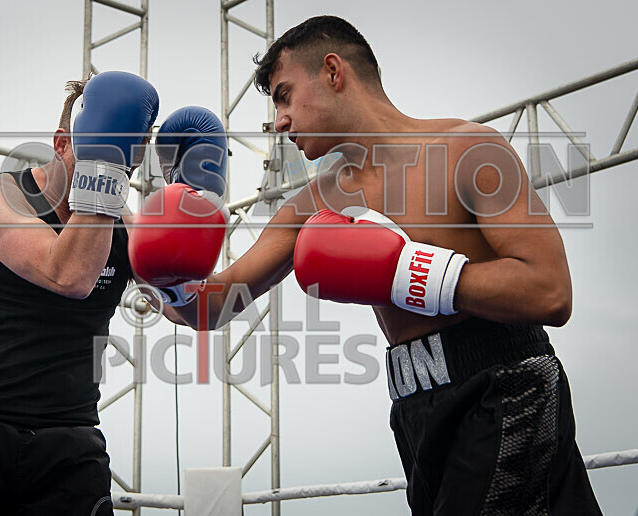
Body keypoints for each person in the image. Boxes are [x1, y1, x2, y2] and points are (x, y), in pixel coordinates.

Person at [140, 15, 602, 515]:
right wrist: (166, 271)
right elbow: (210, 307)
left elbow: (550, 291)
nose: (279, 122)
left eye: (284, 95)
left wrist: (407, 270)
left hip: (503, 385)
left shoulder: (468, 151)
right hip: (413, 409)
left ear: (334, 72)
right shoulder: (313, 202)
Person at [0, 71, 159, 515]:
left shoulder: (126, 227)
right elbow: (68, 274)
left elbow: (192, 309)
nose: (112, 169)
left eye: (122, 159)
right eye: (94, 150)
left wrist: (197, 193)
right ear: (61, 143)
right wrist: (106, 167)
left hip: (69, 448)